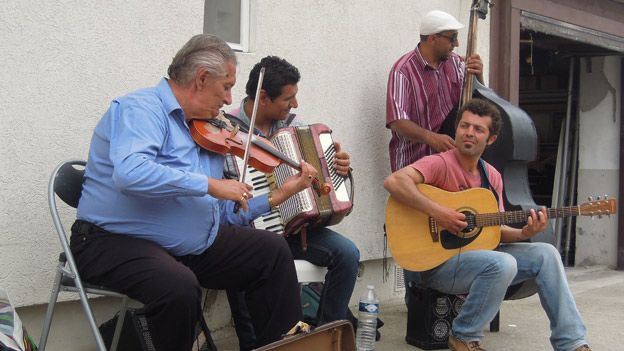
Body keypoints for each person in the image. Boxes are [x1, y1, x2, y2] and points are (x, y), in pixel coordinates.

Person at [70, 34, 319, 350]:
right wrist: (210, 184)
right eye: (226, 87)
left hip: (183, 245)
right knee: (178, 286)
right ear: (202, 79)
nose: (230, 100)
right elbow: (130, 173)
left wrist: (280, 194)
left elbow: (225, 215)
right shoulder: (142, 108)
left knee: (270, 252)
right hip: (110, 241)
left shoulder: (207, 131)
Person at [383, 98, 591, 351]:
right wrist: (439, 212)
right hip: (437, 265)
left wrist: (525, 232)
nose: (469, 132)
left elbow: (494, 231)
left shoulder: (491, 176)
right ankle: (464, 335)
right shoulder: (440, 163)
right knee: (502, 262)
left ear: (491, 139)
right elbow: (394, 182)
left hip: (477, 261)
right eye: (464, 126)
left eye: (478, 129)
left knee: (546, 254)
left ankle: (571, 343)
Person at [224, 56, 360, 350]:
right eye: (288, 97)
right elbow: (231, 198)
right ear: (263, 97)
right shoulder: (230, 131)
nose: (295, 105)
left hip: (297, 228)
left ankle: (324, 336)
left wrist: (339, 168)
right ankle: (253, 345)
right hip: (253, 231)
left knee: (348, 254)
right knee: (240, 268)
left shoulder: (295, 127)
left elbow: (320, 178)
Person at [386, 10, 484, 172]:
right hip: (413, 163)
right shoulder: (402, 71)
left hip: (450, 166)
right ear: (432, 38)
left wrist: (478, 78)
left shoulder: (456, 63)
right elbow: (397, 121)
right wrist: (432, 138)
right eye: (452, 38)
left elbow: (478, 103)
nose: (457, 44)